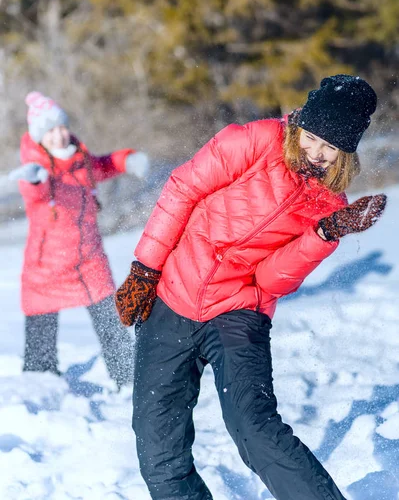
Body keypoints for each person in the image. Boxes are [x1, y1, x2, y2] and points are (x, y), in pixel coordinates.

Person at [115, 74, 387, 499]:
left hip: (239, 311)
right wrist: (145, 270)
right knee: (157, 443)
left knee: (254, 427)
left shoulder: (330, 205)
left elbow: (272, 279)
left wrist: (324, 234)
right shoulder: (256, 140)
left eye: (330, 148)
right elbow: (184, 188)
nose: (316, 154)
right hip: (172, 296)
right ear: (301, 126)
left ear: (345, 154)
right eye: (312, 138)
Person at [9, 91, 149, 390]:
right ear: (38, 137)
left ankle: (129, 375)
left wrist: (126, 160)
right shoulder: (37, 169)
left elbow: (103, 165)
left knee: (111, 318)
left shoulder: (80, 160)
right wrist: (34, 179)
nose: (59, 135)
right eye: (50, 131)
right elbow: (36, 193)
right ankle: (39, 386)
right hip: (47, 264)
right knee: (40, 334)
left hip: (89, 260)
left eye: (61, 127)